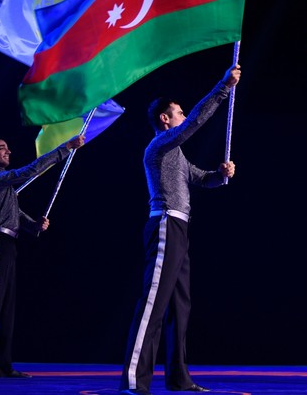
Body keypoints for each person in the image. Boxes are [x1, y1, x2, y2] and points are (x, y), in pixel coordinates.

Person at [119, 64, 241, 395]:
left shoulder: (177, 153)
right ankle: (134, 379)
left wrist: (221, 173)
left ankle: (177, 376)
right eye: (179, 112)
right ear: (165, 119)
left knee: (179, 307)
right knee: (153, 304)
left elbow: (202, 179)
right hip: (164, 224)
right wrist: (222, 87)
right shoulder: (158, 146)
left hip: (180, 228)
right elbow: (195, 123)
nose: (184, 115)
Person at [0, 133, 85, 380]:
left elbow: (14, 213)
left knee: (7, 306)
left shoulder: (4, 185)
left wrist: (34, 225)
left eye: (7, 147)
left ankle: (3, 366)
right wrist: (64, 148)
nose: (8, 151)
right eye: (1, 148)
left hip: (9, 243)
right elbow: (30, 171)